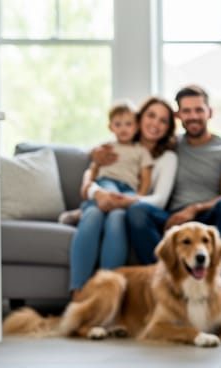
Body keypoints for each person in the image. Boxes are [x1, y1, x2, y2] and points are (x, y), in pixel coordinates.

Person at [125, 85, 221, 270]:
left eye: (199, 110)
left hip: (208, 216)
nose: (193, 116)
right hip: (171, 216)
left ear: (210, 112)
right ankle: (165, 278)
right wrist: (101, 153)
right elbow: (133, 146)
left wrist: (194, 209)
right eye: (187, 111)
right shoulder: (169, 144)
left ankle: (215, 281)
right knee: (137, 211)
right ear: (178, 116)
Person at [67, 96, 179, 296]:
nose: (155, 123)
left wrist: (131, 199)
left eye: (163, 120)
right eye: (151, 116)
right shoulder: (113, 146)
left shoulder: (165, 157)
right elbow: (91, 174)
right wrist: (97, 191)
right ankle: (78, 291)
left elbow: (158, 198)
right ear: (139, 119)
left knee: (118, 216)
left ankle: (108, 293)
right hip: (103, 193)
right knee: (93, 215)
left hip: (129, 203)